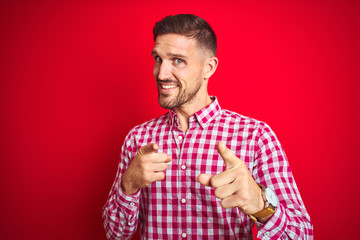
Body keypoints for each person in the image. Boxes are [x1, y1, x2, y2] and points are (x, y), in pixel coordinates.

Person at [102, 14, 313, 239]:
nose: (161, 73)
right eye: (158, 59)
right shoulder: (138, 139)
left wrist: (261, 206)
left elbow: (301, 235)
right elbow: (116, 234)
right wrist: (128, 185)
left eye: (177, 60)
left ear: (208, 68)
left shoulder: (255, 137)